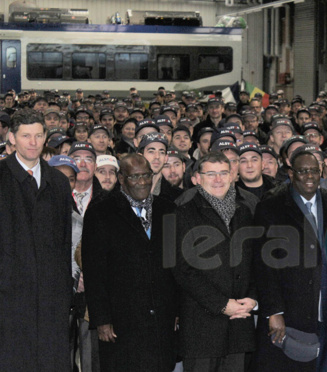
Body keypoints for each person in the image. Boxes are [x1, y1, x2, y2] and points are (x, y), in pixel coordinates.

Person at [253, 149, 327, 372]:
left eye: (314, 171)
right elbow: (264, 267)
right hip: (289, 312)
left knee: (325, 365)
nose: (309, 176)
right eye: (303, 171)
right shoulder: (271, 207)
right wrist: (274, 311)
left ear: (322, 173)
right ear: (291, 173)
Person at [82, 154, 178, 372]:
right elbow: (93, 270)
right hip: (121, 318)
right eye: (134, 177)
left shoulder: (168, 209)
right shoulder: (101, 211)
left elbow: (174, 264)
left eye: (146, 175)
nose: (142, 182)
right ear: (121, 178)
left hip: (161, 315)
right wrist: (102, 319)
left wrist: (176, 309)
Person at [0, 108, 74, 371]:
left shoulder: (58, 182)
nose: (33, 142)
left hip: (51, 300)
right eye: (25, 136)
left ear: (45, 138)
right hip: (9, 301)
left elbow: (65, 242)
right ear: (12, 138)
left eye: (38, 135)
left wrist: (64, 291)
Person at [173, 152, 256, 372]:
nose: (218, 179)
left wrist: (252, 299)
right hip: (202, 327)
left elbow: (254, 262)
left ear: (232, 177)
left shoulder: (244, 213)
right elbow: (183, 271)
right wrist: (221, 305)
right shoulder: (182, 215)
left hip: (239, 323)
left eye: (223, 173)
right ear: (196, 179)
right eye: (211, 174)